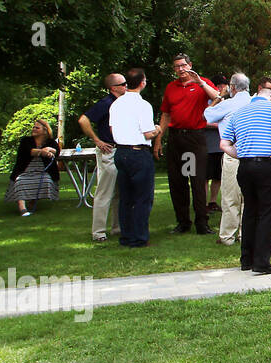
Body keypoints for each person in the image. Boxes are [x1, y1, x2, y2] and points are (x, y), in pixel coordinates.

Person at [219, 77, 271, 275]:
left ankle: (246, 259)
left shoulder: (238, 113)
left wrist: (240, 154)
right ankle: (261, 262)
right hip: (267, 164)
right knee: (268, 212)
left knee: (250, 210)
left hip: (245, 166)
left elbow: (224, 144)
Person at [154, 53, 219, 235]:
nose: (181, 69)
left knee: (197, 181)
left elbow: (218, 96)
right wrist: (158, 140)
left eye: (183, 65)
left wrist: (201, 84)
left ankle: (202, 223)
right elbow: (166, 115)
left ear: (190, 65)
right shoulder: (171, 88)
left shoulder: (201, 83)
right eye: (177, 66)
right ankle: (182, 222)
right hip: (176, 138)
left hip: (194, 138)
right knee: (177, 182)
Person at [109, 68, 160, 247]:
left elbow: (111, 129)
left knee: (126, 197)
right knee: (142, 197)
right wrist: (158, 129)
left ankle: (126, 235)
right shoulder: (143, 105)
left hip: (120, 152)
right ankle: (139, 237)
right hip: (138, 152)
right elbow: (147, 133)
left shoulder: (116, 104)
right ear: (142, 82)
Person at [203, 73, 251, 245]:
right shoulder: (256, 102)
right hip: (254, 154)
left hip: (233, 152)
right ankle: (246, 234)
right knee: (249, 197)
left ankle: (227, 236)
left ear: (232, 87)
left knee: (231, 196)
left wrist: (217, 98)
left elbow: (207, 115)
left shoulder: (229, 104)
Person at [78, 72, 127, 240]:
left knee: (120, 192)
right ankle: (98, 232)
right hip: (109, 151)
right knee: (105, 192)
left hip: (121, 150)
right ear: (113, 88)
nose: (126, 86)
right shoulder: (106, 103)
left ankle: (117, 228)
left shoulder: (122, 103)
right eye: (123, 84)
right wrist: (97, 140)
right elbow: (83, 120)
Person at [5, 118, 61, 216]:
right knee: (20, 181)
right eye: (33, 127)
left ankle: (33, 201)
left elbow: (56, 151)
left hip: (42, 171)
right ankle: (22, 208)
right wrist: (41, 152)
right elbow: (28, 151)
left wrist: (49, 149)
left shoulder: (51, 142)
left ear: (45, 131)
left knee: (46, 181)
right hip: (25, 171)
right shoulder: (26, 141)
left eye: (37, 128)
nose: (34, 129)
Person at [204, 74, 228, 213]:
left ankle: (212, 201)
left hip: (221, 145)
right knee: (205, 177)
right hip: (207, 145)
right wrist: (220, 125)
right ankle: (203, 203)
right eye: (220, 85)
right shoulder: (208, 101)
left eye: (224, 85)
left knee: (218, 176)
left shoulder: (226, 102)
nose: (223, 88)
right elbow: (204, 120)